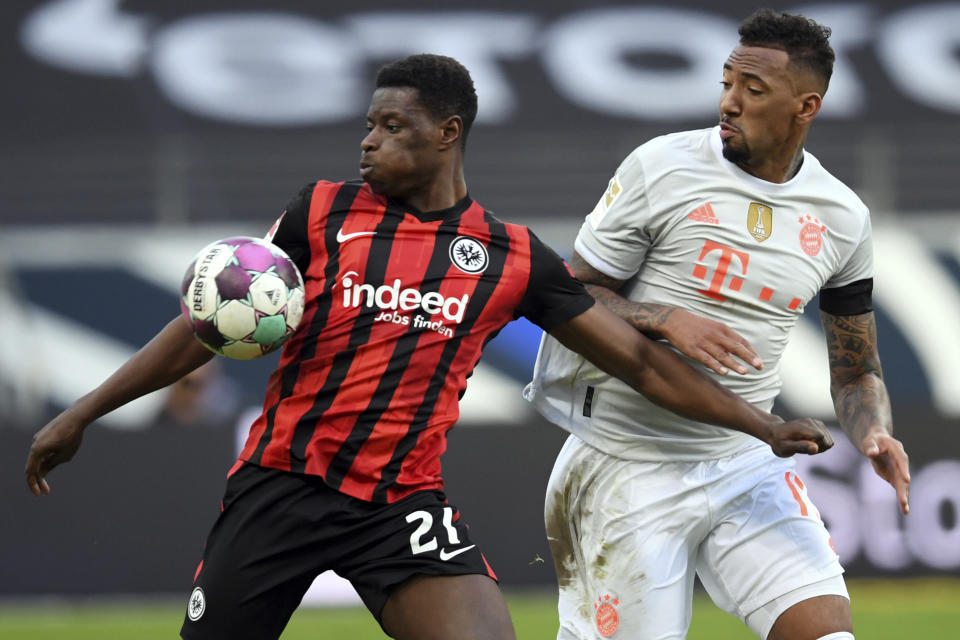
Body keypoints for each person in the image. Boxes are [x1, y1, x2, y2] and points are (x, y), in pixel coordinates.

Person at [25, 54, 830, 640]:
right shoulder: (320, 214)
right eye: (368, 126)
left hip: (399, 505)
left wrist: (762, 427)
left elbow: (643, 363)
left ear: (447, 134)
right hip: (280, 491)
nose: (367, 144)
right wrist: (84, 413)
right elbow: (208, 326)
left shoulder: (511, 256)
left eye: (391, 127)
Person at [524, 9, 911, 640]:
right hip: (626, 462)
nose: (729, 102)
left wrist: (873, 433)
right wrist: (664, 318)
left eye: (753, 90)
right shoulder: (662, 166)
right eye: (727, 81)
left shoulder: (842, 216)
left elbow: (857, 367)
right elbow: (570, 294)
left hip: (746, 459)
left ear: (804, 106)